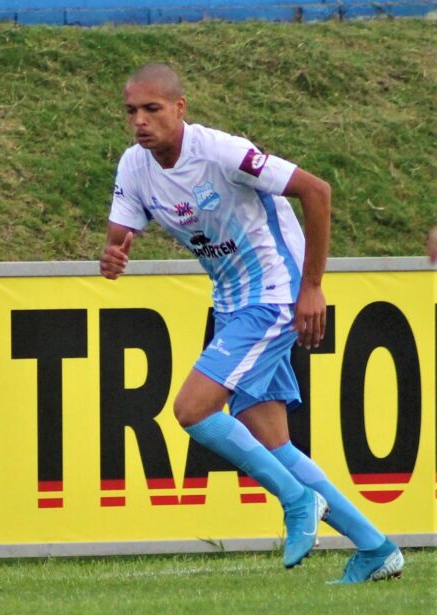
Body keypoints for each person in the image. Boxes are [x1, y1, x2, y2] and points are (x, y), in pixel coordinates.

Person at [99, 63, 404, 584]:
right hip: (232, 303)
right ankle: (376, 547)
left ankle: (295, 499)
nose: (140, 121)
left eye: (152, 108)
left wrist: (311, 287)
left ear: (180, 108)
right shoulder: (134, 166)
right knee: (274, 444)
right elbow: (119, 234)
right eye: (132, 111)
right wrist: (112, 256)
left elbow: (317, 191)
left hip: (275, 294)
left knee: (192, 409)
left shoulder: (221, 152)